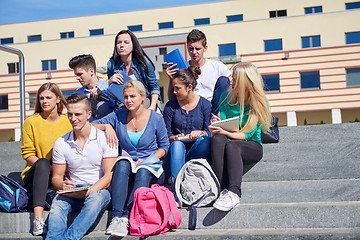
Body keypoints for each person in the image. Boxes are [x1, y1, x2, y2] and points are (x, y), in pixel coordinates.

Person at [92, 80, 169, 237]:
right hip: (127, 168)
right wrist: (107, 126)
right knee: (122, 163)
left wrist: (147, 160)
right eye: (126, 97)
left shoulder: (155, 118)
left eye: (132, 96)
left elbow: (164, 147)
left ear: (142, 97)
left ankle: (127, 216)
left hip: (151, 168)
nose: (128, 100)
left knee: (143, 171)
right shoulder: (119, 115)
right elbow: (90, 125)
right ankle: (116, 217)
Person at [45, 93, 117, 240]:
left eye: (78, 114)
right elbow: (57, 178)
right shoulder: (61, 142)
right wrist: (63, 185)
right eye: (70, 114)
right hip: (74, 189)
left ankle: (70, 238)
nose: (73, 119)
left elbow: (108, 177)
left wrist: (88, 191)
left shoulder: (105, 138)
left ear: (89, 114)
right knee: (57, 206)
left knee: (95, 199)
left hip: (99, 189)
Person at [208, 62, 271, 212]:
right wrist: (217, 124)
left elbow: (248, 134)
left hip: (251, 145)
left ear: (245, 82)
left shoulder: (259, 102)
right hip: (228, 140)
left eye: (235, 79)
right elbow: (223, 124)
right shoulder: (225, 97)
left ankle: (234, 193)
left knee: (232, 145)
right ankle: (221, 189)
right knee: (217, 139)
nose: (231, 81)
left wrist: (226, 133)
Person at [20, 82, 72, 236]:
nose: (44, 101)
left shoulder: (68, 121)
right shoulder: (31, 122)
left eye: (48, 97)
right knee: (42, 163)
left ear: (58, 99)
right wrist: (51, 171)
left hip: (61, 172)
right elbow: (28, 154)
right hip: (36, 172)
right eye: (41, 98)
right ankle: (38, 219)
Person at [163, 66, 211, 184]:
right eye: (174, 88)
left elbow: (210, 131)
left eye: (177, 88)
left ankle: (183, 170)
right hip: (177, 149)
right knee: (177, 145)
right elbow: (165, 133)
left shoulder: (205, 104)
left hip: (198, 148)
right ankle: (178, 187)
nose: (174, 91)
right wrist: (173, 137)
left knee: (205, 141)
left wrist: (201, 133)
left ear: (189, 87)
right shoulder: (170, 106)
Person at [166, 29, 231, 115]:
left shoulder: (217, 66)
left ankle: (217, 117)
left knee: (224, 80)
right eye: (191, 49)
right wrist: (171, 80)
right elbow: (172, 99)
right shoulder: (183, 69)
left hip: (212, 108)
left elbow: (232, 84)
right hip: (191, 109)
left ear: (205, 48)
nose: (194, 52)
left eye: (197, 49)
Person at [107, 30, 161, 111]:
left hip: (144, 100)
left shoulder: (143, 62)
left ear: (133, 46)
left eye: (126, 42)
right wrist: (110, 82)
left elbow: (154, 87)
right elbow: (113, 96)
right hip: (123, 103)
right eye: (119, 42)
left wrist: (152, 107)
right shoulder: (111, 64)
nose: (122, 45)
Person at [70, 54, 116, 121]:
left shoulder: (108, 88)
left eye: (80, 74)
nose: (77, 78)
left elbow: (118, 110)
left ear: (91, 71)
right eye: (76, 75)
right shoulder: (77, 94)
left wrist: (104, 96)